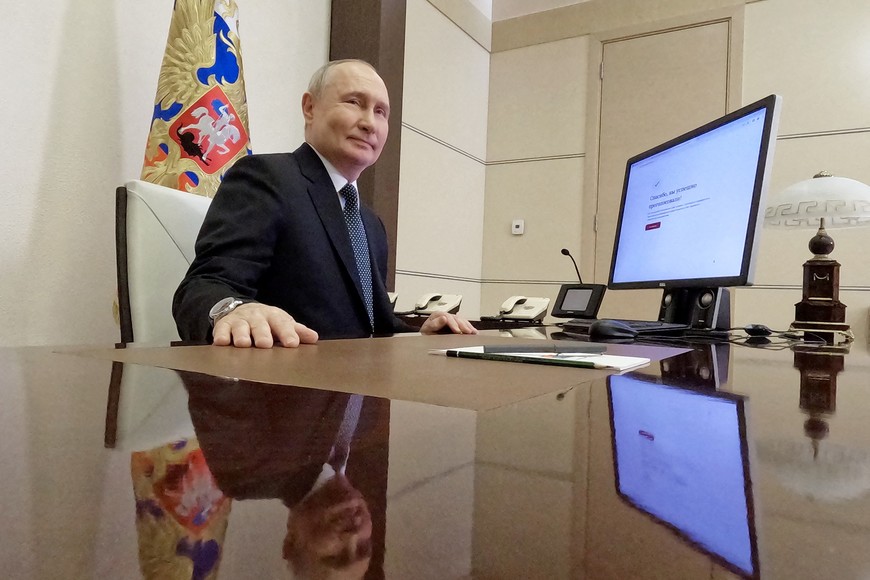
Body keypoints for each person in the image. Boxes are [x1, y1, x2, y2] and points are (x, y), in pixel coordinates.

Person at [173, 59, 477, 347]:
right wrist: (233, 310)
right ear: (310, 108)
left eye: (381, 111)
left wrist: (418, 336)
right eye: (354, 102)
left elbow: (372, 326)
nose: (370, 123)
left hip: (360, 389)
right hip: (286, 388)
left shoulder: (371, 224)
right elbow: (203, 285)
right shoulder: (265, 178)